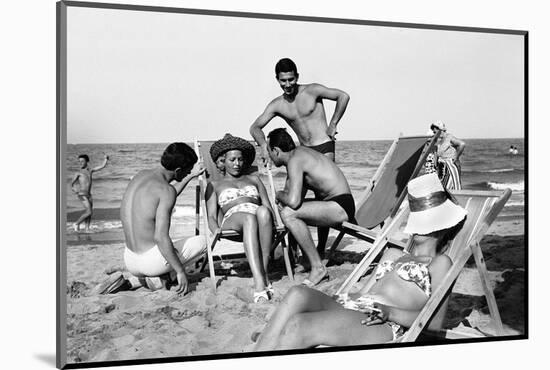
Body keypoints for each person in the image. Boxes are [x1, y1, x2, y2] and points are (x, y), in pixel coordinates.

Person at [253, 172, 467, 350]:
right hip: (353, 307)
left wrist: (389, 312)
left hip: (382, 322)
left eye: (429, 221)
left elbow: (435, 321)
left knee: (298, 324)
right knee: (297, 293)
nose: (422, 227)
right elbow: (365, 292)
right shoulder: (394, 254)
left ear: (443, 225)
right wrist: (338, 300)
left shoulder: (440, 263)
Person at [250, 58, 351, 261]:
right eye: (283, 81)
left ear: (297, 76)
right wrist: (263, 146)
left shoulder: (312, 91)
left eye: (291, 79)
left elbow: (343, 96)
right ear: (277, 80)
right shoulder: (278, 104)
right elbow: (255, 127)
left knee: (324, 196)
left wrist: (333, 123)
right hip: (301, 151)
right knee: (292, 198)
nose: (287, 85)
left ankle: (321, 247)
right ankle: (297, 249)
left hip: (323, 146)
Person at [98, 143, 207, 295]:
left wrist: (190, 176)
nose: (189, 172)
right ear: (177, 170)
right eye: (187, 170)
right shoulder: (166, 191)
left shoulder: (141, 176)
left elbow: (167, 193)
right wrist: (180, 271)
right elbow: (160, 237)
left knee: (168, 250)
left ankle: (138, 279)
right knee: (205, 242)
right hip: (150, 262)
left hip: (130, 259)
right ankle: (163, 277)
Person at [266, 128, 356, 287]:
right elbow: (296, 197)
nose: (269, 156)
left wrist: (279, 195)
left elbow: (293, 202)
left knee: (289, 214)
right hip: (339, 202)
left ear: (276, 150)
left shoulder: (295, 160)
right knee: (289, 212)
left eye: (269, 152)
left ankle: (318, 268)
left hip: (340, 206)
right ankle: (309, 259)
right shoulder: (300, 154)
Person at [206, 134, 276, 303]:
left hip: (259, 219)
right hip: (233, 219)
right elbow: (211, 215)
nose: (237, 164)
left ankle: (262, 272)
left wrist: (275, 219)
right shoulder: (215, 185)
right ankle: (260, 283)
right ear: (223, 161)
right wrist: (215, 228)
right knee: (248, 219)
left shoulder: (254, 179)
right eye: (232, 160)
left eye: (240, 159)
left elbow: (267, 205)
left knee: (264, 212)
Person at [70, 153, 109, 232]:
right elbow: (72, 183)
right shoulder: (78, 172)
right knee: (89, 211)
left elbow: (101, 166)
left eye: (82, 161)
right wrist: (74, 189)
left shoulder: (90, 170)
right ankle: (76, 223)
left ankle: (87, 229)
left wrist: (106, 159)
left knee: (90, 214)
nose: (81, 163)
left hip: (89, 195)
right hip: (82, 194)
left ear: (86, 161)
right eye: (79, 161)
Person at [430, 121, 466, 190]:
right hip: (443, 166)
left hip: (450, 165)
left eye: (435, 132)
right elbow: (437, 152)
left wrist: (456, 157)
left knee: (454, 186)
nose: (434, 134)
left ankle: (457, 198)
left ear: (440, 130)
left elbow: (462, 144)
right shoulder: (439, 140)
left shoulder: (449, 137)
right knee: (444, 187)